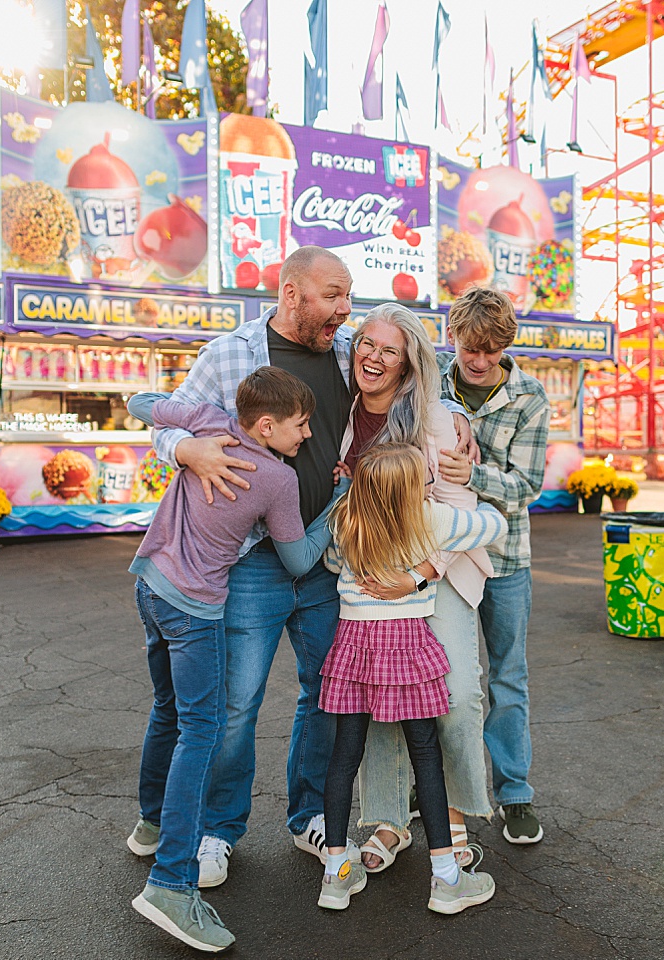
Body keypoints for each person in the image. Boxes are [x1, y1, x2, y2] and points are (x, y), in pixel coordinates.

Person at [151, 246, 476, 888]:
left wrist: (459, 419)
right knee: (236, 704)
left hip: (330, 562)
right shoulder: (229, 355)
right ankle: (219, 831)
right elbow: (166, 420)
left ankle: (311, 818)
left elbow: (418, 370)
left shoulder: (348, 347)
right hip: (254, 561)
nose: (344, 309)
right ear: (291, 293)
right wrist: (187, 449)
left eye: (347, 296)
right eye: (332, 295)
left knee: (328, 695)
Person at [123, 367, 344, 952]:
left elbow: (141, 402)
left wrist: (188, 446)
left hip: (150, 585)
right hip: (194, 607)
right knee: (203, 730)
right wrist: (339, 501)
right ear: (266, 425)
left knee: (169, 709)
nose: (307, 436)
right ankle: (170, 883)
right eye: (301, 425)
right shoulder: (277, 478)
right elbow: (299, 561)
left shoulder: (210, 423)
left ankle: (150, 824)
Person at [332, 304, 496, 872]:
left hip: (436, 565)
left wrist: (421, 573)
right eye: (367, 344)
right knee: (381, 695)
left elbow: (460, 506)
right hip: (372, 573)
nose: (374, 357)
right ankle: (388, 817)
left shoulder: (435, 419)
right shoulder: (344, 408)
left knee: (456, 693)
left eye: (389, 351)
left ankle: (451, 810)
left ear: (407, 364)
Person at [316, 443, 506, 915]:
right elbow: (495, 524)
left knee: (344, 757)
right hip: (406, 646)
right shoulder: (430, 519)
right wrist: (429, 563)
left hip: (354, 646)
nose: (431, 482)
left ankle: (335, 876)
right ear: (409, 491)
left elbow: (334, 564)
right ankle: (446, 880)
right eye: (425, 478)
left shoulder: (346, 519)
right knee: (426, 756)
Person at [435, 287, 550, 844]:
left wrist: (473, 476)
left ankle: (514, 793)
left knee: (507, 676)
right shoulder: (433, 377)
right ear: (452, 336)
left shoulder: (530, 396)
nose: (478, 361)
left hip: (505, 559)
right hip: (439, 555)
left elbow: (527, 486)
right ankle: (432, 789)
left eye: (491, 351)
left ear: (506, 346)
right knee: (439, 677)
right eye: (469, 348)